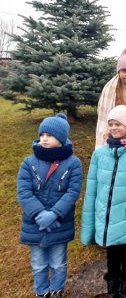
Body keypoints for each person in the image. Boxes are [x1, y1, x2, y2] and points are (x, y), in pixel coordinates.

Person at [81, 105, 126, 298]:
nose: (114, 128)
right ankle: (112, 288)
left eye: (118, 124)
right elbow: (92, 190)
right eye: (111, 124)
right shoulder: (100, 154)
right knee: (111, 256)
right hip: (106, 218)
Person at [17, 114, 82, 298]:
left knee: (58, 262)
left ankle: (56, 290)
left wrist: (54, 214)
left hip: (59, 223)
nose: (44, 138)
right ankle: (41, 291)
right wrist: (39, 214)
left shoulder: (73, 163)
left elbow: (72, 192)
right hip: (35, 223)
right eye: (42, 134)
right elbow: (24, 191)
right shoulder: (29, 163)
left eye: (49, 135)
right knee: (38, 262)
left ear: (61, 139)